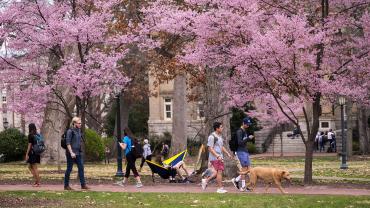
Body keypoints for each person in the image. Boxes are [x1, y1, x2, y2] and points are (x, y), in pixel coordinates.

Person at [201, 122, 233, 193]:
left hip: (219, 157)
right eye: (221, 127)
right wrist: (217, 156)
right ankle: (220, 188)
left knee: (216, 173)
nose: (222, 128)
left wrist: (228, 153)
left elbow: (221, 147)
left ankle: (206, 180)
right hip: (215, 158)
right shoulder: (212, 136)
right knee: (219, 172)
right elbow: (210, 148)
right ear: (217, 128)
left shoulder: (219, 136)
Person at [64, 117, 89, 190]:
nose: (80, 124)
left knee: (81, 168)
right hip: (71, 153)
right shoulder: (70, 131)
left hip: (78, 153)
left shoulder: (79, 131)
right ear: (74, 123)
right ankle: (66, 185)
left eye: (80, 123)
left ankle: (83, 185)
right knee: (69, 169)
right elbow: (68, 143)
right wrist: (71, 152)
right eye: (79, 123)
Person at [231, 117, 254, 192]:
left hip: (245, 151)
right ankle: (243, 186)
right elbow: (240, 142)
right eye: (247, 124)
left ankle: (236, 180)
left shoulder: (244, 131)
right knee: (244, 169)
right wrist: (248, 138)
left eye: (249, 124)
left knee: (248, 169)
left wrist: (248, 138)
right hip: (240, 151)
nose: (248, 126)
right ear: (243, 123)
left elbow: (244, 142)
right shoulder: (239, 131)